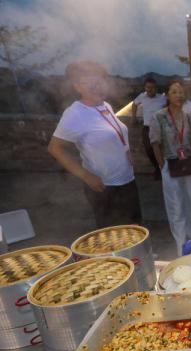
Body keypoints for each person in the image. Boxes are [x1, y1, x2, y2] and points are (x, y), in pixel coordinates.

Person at [48, 60, 141, 228]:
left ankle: (138, 255)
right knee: (114, 236)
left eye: (100, 82)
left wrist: (126, 150)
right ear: (77, 86)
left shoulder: (105, 106)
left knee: (135, 228)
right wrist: (85, 176)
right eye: (91, 83)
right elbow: (55, 148)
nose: (98, 87)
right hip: (105, 187)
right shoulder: (75, 113)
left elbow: (113, 134)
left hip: (127, 181)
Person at [149, 81, 191, 255]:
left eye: (181, 92)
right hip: (171, 163)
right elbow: (155, 143)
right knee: (176, 205)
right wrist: (162, 164)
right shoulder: (159, 116)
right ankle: (181, 245)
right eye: (174, 92)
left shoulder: (188, 117)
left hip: (189, 163)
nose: (178, 95)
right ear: (167, 95)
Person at [132, 77, 166, 180]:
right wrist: (133, 117)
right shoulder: (142, 97)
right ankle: (157, 168)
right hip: (147, 127)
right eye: (148, 87)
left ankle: (162, 170)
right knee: (149, 149)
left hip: (160, 128)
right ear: (145, 88)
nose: (150, 89)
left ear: (156, 88)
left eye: (153, 87)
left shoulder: (162, 98)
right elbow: (134, 104)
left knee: (161, 150)